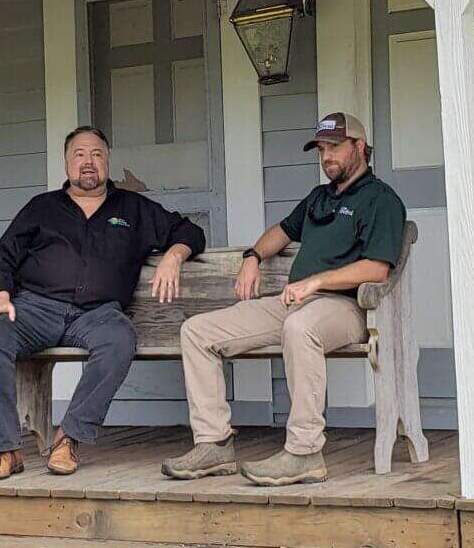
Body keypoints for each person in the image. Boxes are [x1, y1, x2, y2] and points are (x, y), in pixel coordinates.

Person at [162, 112, 405, 486]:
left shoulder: (380, 200)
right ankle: (214, 444)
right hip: (294, 304)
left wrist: (316, 281)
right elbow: (282, 231)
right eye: (322, 149)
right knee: (198, 330)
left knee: (300, 326)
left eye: (335, 147)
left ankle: (305, 453)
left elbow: (376, 270)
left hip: (346, 307)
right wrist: (252, 257)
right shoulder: (318, 198)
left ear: (359, 147)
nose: (326, 157)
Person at [0, 126, 205, 480]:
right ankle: (6, 448)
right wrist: (1, 295)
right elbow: (3, 254)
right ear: (67, 163)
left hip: (97, 315)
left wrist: (174, 254)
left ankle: (69, 438)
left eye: (96, 154)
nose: (88, 162)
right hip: (36, 308)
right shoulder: (41, 208)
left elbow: (190, 231)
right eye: (79, 154)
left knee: (119, 340)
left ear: (107, 161)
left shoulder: (134, 208)